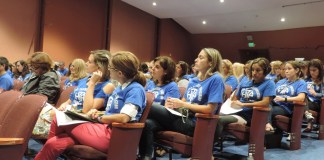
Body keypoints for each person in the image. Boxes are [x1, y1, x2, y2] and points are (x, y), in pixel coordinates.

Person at [34, 51, 147, 160]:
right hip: (103, 130)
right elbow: (112, 112)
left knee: (59, 118)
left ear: (120, 73)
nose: (108, 70)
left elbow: (124, 117)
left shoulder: (135, 89)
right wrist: (98, 112)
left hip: (114, 137)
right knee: (53, 143)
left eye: (111, 68)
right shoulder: (120, 87)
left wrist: (99, 117)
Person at [138, 48, 225, 160]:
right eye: (197, 56)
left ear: (211, 63)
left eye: (201, 57)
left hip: (195, 124)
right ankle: (146, 157)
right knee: (148, 123)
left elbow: (210, 109)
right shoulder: (193, 80)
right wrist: (173, 104)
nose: (196, 59)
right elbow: (184, 101)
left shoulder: (216, 79)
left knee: (150, 107)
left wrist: (182, 105)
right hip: (182, 116)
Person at [214, 58, 275, 143]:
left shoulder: (269, 83)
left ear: (265, 71)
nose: (254, 73)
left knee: (219, 120)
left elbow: (265, 103)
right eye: (253, 70)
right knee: (212, 115)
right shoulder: (245, 81)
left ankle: (208, 148)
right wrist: (235, 103)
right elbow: (235, 98)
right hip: (236, 111)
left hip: (249, 116)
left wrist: (243, 105)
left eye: (258, 70)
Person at [266, 60, 307, 131]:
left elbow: (301, 98)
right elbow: (272, 94)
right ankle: (268, 125)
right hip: (274, 103)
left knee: (267, 109)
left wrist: (284, 99)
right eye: (285, 69)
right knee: (266, 102)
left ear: (296, 70)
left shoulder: (301, 82)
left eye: (289, 69)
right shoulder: (280, 81)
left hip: (286, 107)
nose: (286, 71)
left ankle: (267, 125)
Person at [303, 59, 324, 132]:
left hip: (317, 104)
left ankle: (309, 124)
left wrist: (315, 94)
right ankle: (308, 116)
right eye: (310, 70)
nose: (312, 72)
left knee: (303, 100)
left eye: (314, 70)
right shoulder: (306, 80)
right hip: (306, 101)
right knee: (303, 97)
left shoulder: (322, 81)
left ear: (320, 70)